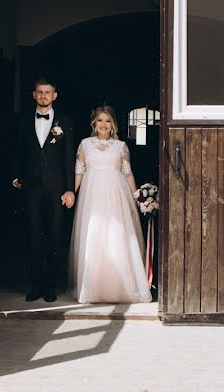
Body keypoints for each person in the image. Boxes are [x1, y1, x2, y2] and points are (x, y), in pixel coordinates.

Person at [68, 106, 152, 304]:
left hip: (116, 194)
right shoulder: (85, 144)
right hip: (92, 195)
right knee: (94, 235)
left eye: (107, 121)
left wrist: (137, 196)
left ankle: (121, 287)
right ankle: (93, 289)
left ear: (113, 124)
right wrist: (71, 192)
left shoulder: (121, 146)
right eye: (100, 120)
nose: (103, 124)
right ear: (93, 124)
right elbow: (79, 171)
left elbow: (127, 172)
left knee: (116, 234)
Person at [12, 78, 76, 303]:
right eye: (39, 92)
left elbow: (69, 159)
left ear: (54, 95)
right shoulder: (23, 120)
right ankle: (36, 284)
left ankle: (51, 285)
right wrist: (15, 177)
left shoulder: (64, 121)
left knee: (55, 236)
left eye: (47, 92)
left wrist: (70, 189)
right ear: (34, 95)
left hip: (56, 188)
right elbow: (18, 151)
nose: (43, 96)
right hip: (32, 187)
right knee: (33, 235)